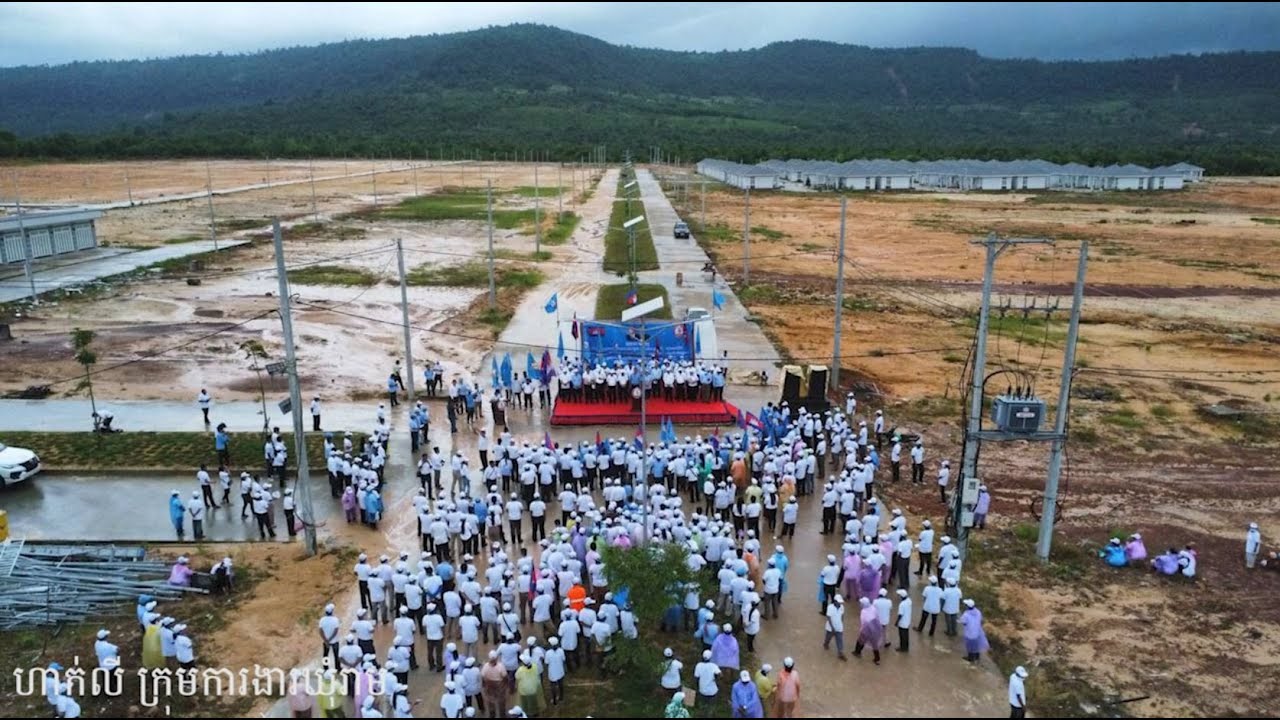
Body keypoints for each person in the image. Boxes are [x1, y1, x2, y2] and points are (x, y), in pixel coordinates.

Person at [853, 596, 882, 664]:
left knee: (860, 640)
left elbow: (863, 622)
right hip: (875, 628)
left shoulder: (863, 611)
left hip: (866, 629)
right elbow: (877, 617)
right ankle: (877, 658)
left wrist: (861, 630)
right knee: (874, 643)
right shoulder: (873, 608)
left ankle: (857, 652)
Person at [960, 599, 989, 663]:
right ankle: (977, 657)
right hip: (978, 632)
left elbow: (963, 622)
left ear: (967, 606)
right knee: (977, 645)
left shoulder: (966, 614)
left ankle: (970, 658)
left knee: (970, 646)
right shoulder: (978, 612)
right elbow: (980, 619)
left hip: (969, 633)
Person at [822, 594, 846, 661]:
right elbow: (828, 617)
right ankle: (826, 644)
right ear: (835, 601)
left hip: (839, 627)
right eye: (838, 602)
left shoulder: (842, 607)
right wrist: (832, 627)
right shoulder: (830, 607)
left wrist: (841, 624)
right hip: (830, 627)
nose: (840, 603)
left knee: (840, 640)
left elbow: (842, 616)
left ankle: (840, 653)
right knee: (828, 638)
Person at [894, 588, 913, 652]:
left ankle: (902, 648)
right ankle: (906, 647)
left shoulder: (902, 604)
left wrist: (896, 622)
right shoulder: (909, 600)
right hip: (907, 620)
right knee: (906, 634)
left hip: (902, 622)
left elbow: (900, 615)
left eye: (899, 595)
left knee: (902, 636)